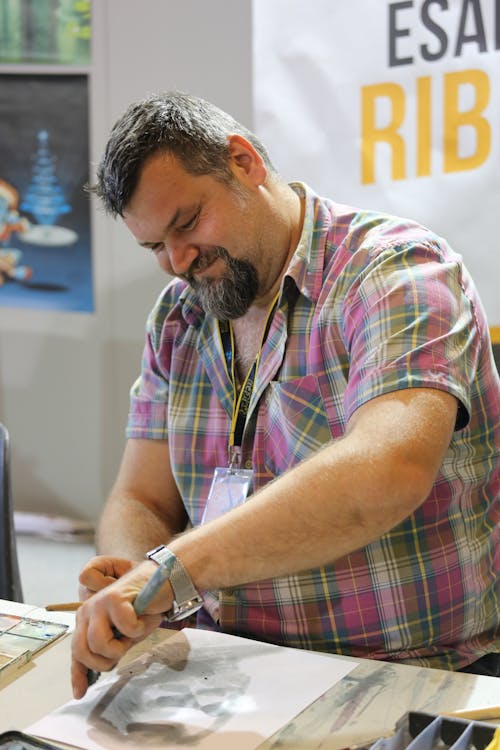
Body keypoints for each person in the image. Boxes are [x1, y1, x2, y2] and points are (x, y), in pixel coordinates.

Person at [71, 91, 500, 698]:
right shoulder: (178, 316)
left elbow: (387, 472)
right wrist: (130, 583)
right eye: (154, 247)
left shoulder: (396, 271)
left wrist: (173, 571)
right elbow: (141, 496)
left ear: (244, 162)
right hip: (230, 670)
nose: (179, 260)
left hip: (412, 674)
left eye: (188, 223)